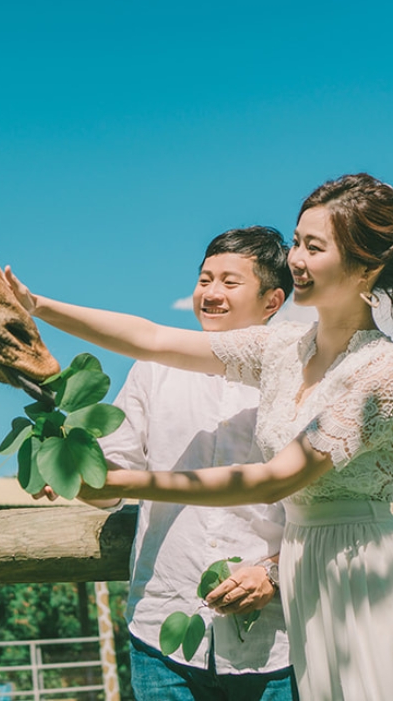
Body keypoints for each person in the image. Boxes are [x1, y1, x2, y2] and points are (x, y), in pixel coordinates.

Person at [7, 174, 393, 700]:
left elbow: (273, 482)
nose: (296, 259)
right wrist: (36, 304)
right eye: (297, 242)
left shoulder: (383, 372)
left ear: (368, 266)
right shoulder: (284, 349)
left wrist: (127, 480)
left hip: (359, 578)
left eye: (314, 247)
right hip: (303, 581)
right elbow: (151, 339)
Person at [87, 226, 299, 701]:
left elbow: (321, 499)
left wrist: (274, 573)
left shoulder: (299, 377)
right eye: (205, 280)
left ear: (272, 301)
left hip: (274, 639)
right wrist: (70, 470)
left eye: (230, 282)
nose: (211, 294)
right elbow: (109, 484)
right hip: (160, 630)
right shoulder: (152, 370)